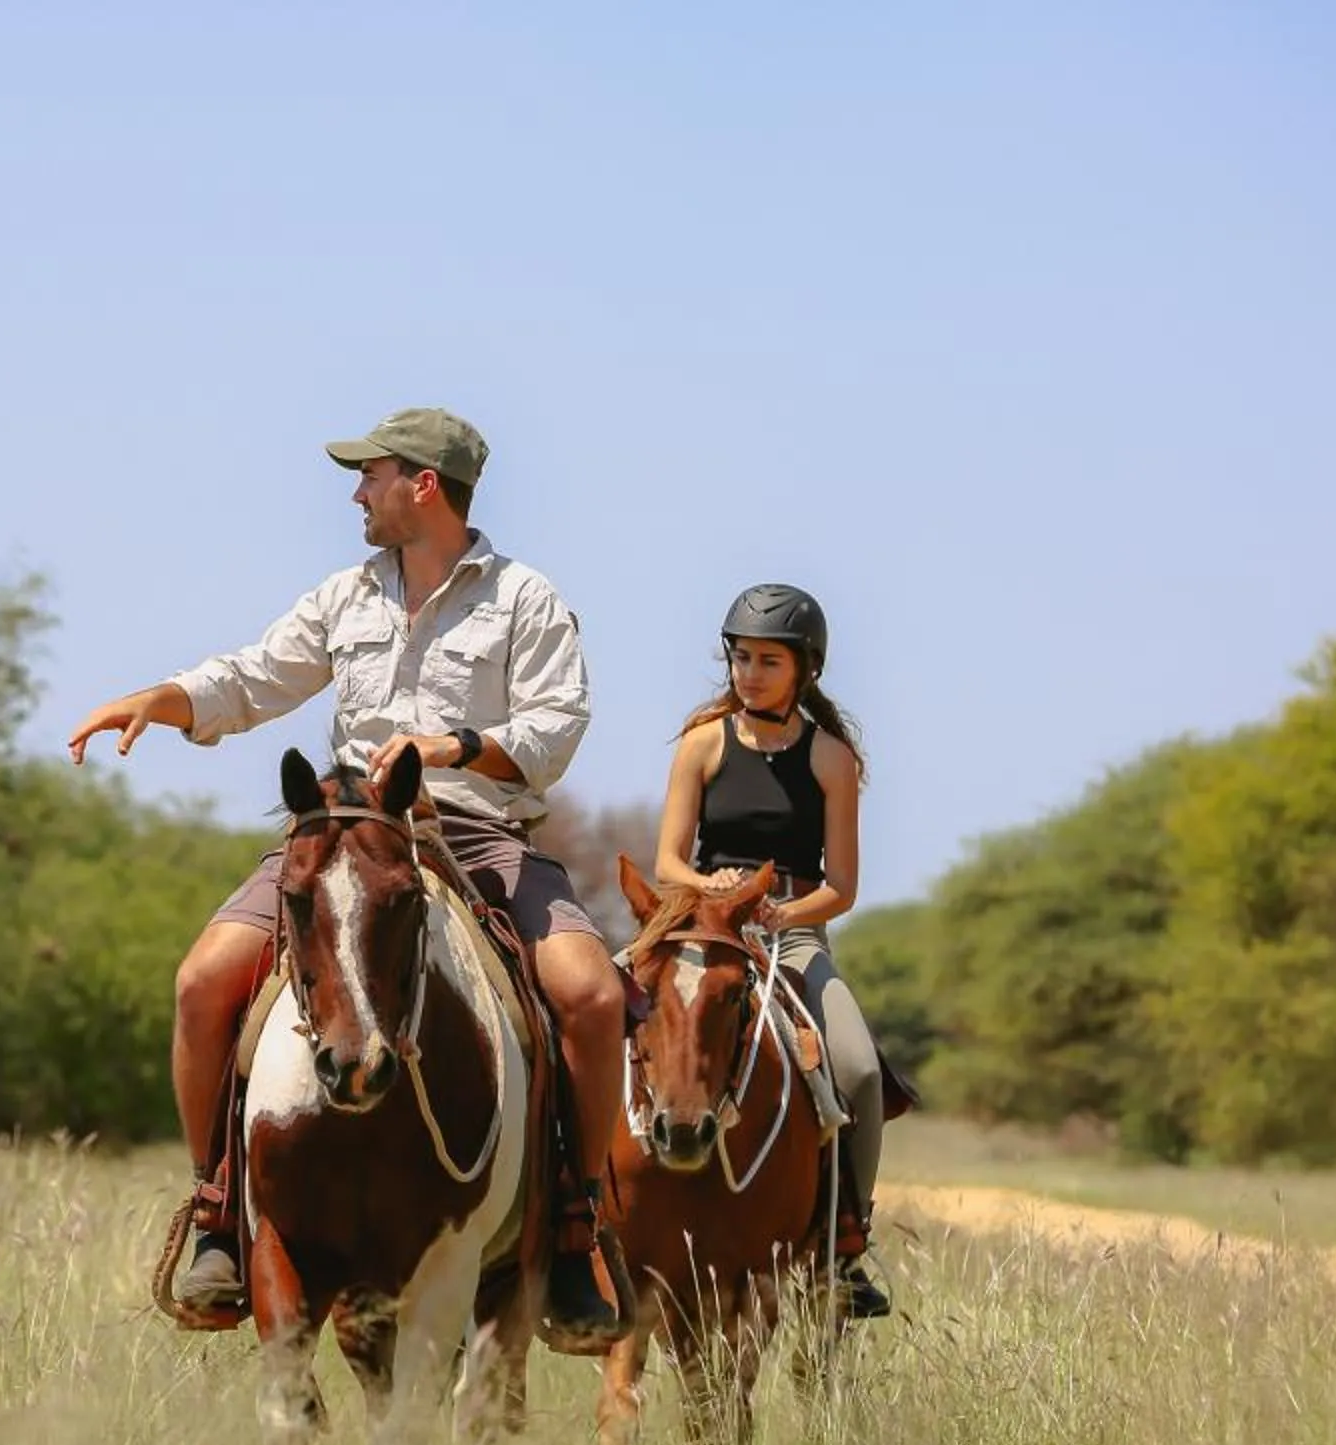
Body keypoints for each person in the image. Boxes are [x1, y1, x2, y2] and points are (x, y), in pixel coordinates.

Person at [66, 408, 628, 1331]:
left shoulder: (526, 598)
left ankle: (575, 1229)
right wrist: (159, 700)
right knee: (204, 981)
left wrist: (452, 744)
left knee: (593, 996)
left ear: (425, 486)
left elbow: (554, 730)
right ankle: (216, 1217)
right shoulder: (344, 596)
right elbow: (253, 678)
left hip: (477, 836)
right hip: (346, 836)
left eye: (372, 475)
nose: (356, 493)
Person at [650, 582, 892, 1316]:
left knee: (855, 1066)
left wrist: (782, 911)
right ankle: (590, 1220)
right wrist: (712, 888)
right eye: (741, 658)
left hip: (792, 934)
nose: (749, 674)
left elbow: (842, 886)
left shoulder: (831, 761)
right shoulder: (702, 745)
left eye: (768, 662)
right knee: (608, 1019)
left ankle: (843, 1248)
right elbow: (667, 863)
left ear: (805, 672)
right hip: (702, 923)